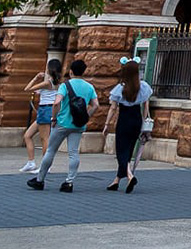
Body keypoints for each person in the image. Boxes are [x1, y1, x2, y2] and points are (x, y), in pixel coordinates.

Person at [27, 57, 97, 192]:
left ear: (71, 72)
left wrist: (54, 118)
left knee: (51, 150)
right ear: (83, 72)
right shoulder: (89, 87)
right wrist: (86, 116)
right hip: (78, 125)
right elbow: (96, 105)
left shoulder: (65, 85)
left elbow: (56, 102)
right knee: (73, 152)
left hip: (62, 123)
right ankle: (69, 182)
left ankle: (40, 180)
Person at [102, 58, 155, 192]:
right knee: (129, 149)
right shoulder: (143, 86)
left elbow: (113, 108)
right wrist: (144, 124)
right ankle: (116, 180)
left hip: (124, 119)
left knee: (121, 150)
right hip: (136, 119)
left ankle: (130, 175)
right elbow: (146, 106)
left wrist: (107, 124)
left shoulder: (120, 88)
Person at [22, 59, 62, 172]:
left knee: (44, 139)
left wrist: (36, 78)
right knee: (28, 135)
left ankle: (45, 167)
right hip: (47, 110)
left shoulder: (47, 83)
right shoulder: (59, 82)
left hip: (45, 110)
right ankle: (31, 162)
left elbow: (27, 88)